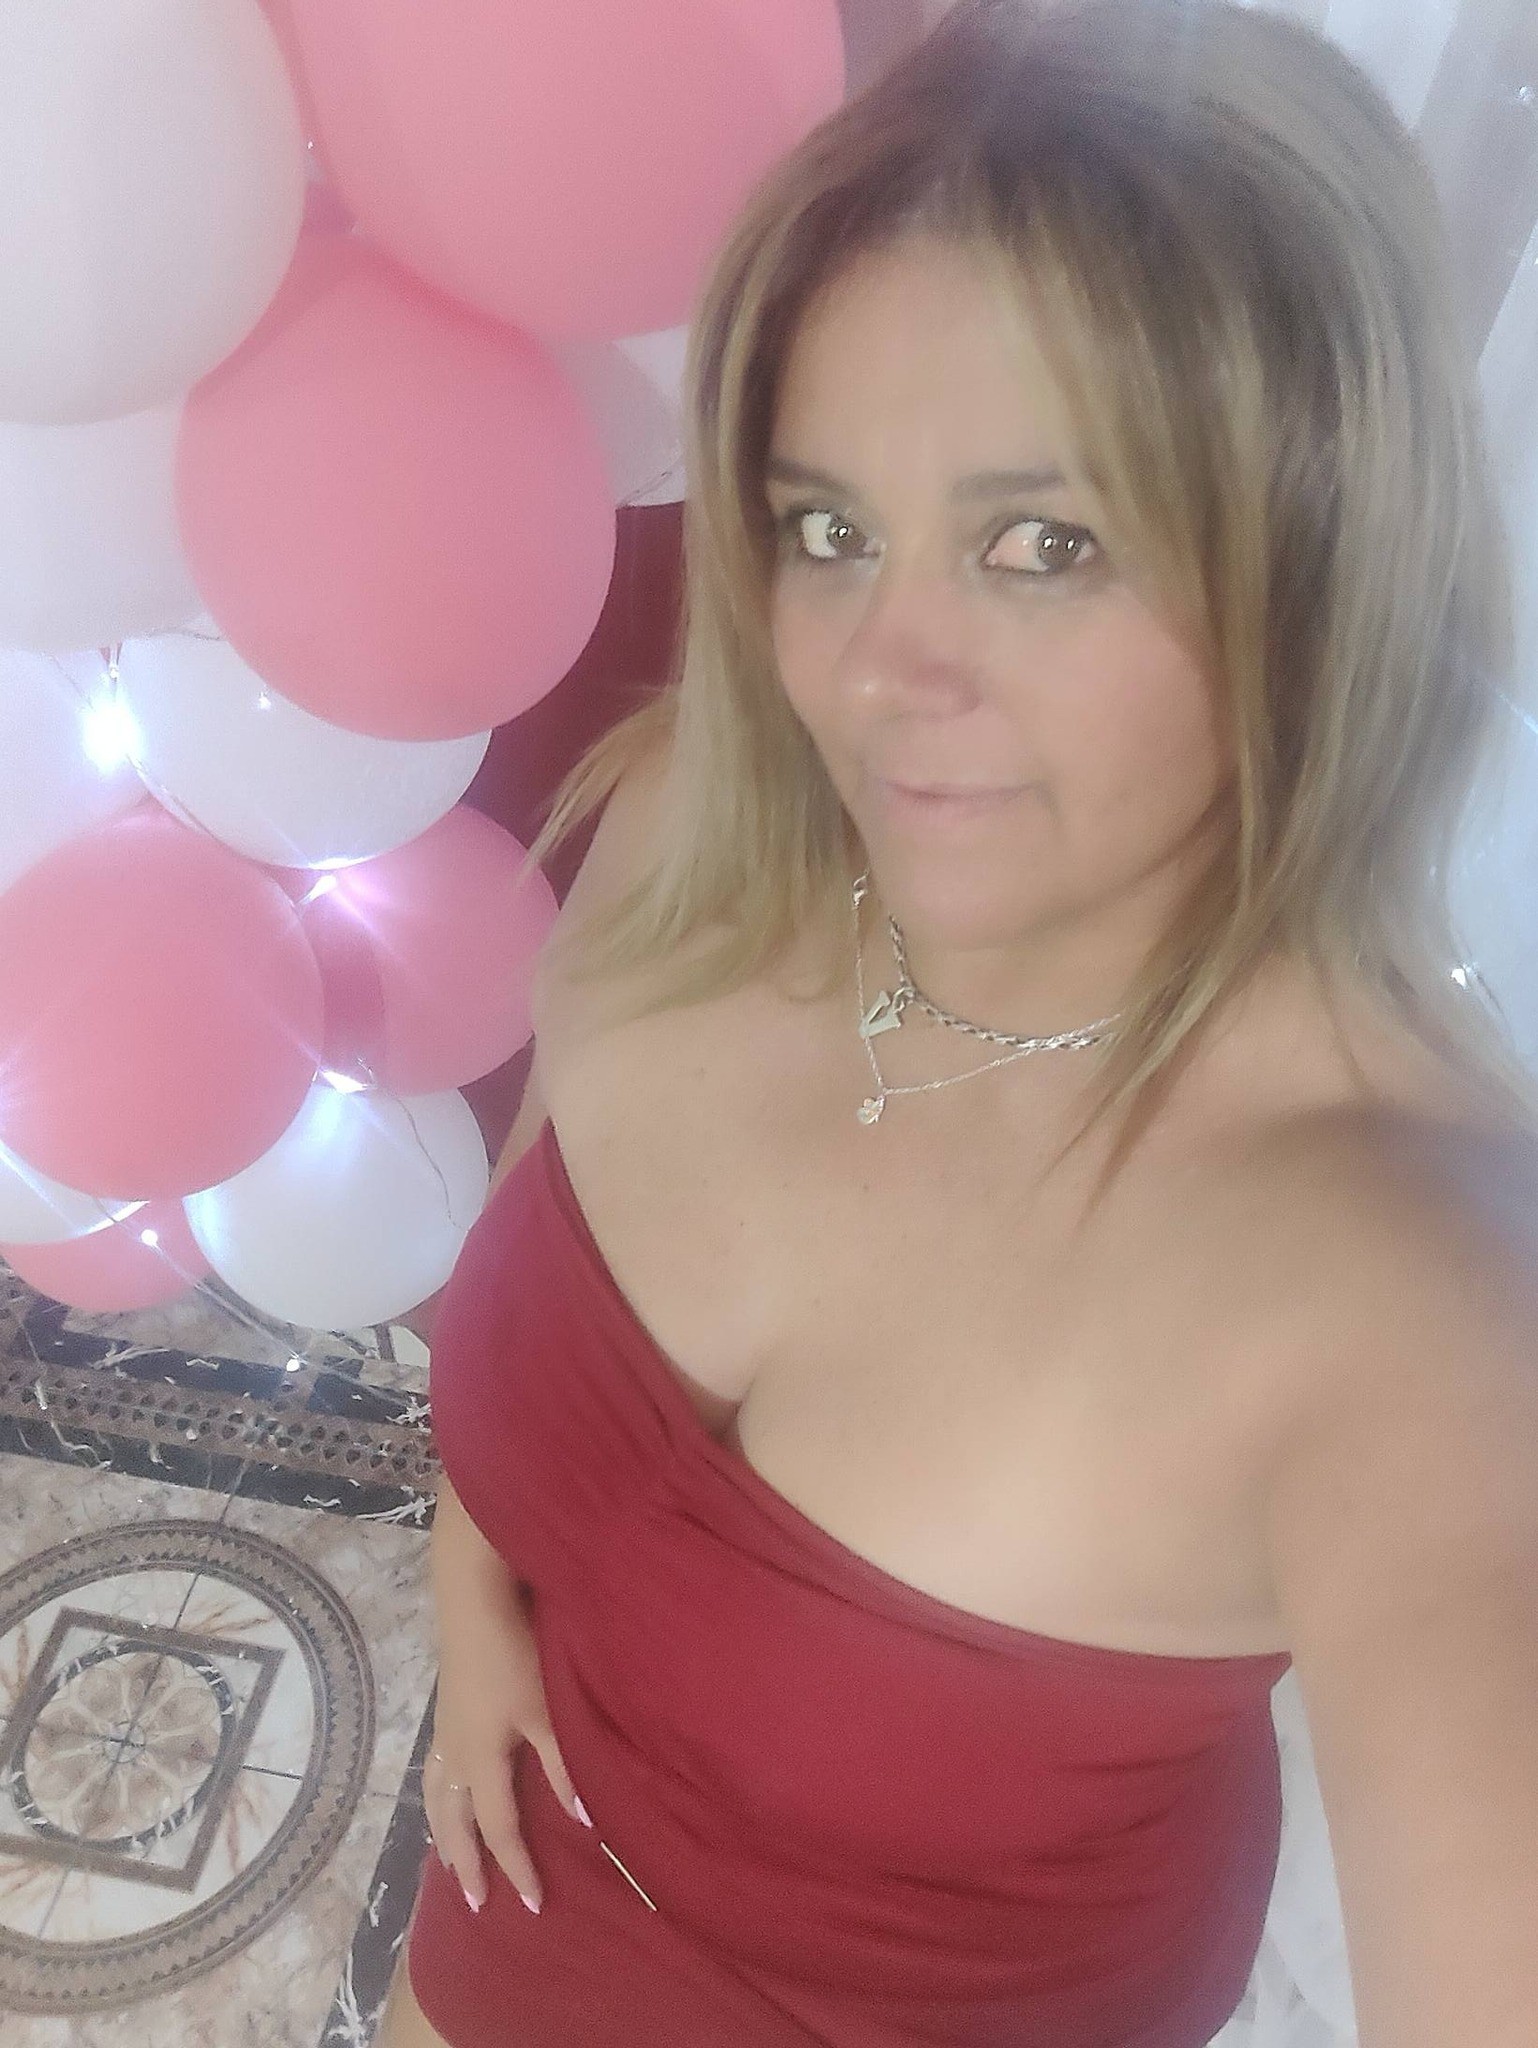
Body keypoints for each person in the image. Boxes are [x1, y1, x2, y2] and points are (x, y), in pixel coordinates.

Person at [378, 2, 1538, 2042]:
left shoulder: (1416, 1291)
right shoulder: (695, 835)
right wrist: (478, 1612)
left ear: (1313, 564)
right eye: (829, 529)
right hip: (525, 1891)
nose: (874, 672)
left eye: (1041, 544)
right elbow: (529, 1261)